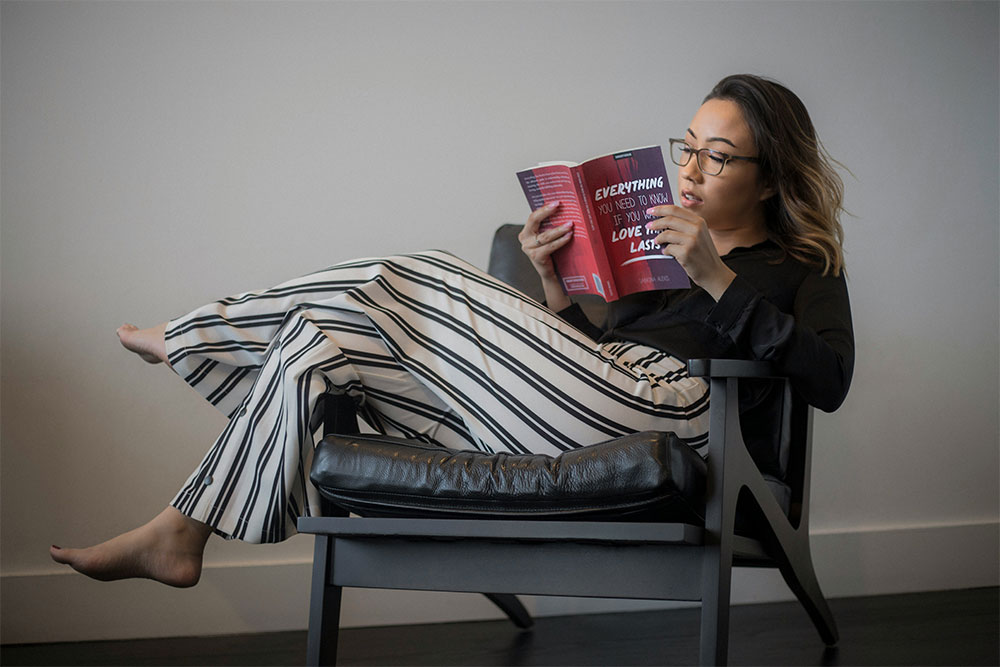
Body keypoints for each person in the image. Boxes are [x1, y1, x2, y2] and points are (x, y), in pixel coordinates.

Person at [50, 74, 854, 588]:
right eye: (688, 148)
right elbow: (595, 359)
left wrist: (716, 277)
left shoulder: (803, 266)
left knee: (422, 271)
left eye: (719, 157)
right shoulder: (655, 250)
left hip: (683, 415)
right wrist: (552, 280)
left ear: (768, 180)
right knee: (317, 341)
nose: (692, 170)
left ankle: (194, 338)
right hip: (592, 400)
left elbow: (829, 381)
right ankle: (180, 531)